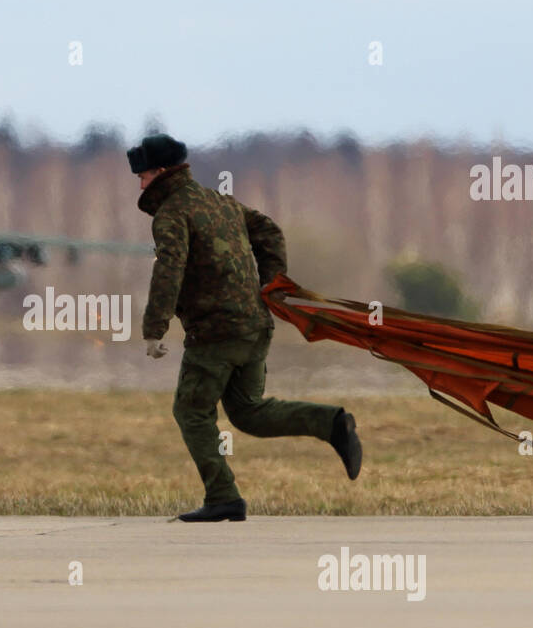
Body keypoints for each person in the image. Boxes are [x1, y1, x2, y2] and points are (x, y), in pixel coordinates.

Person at [130, 133, 362, 522]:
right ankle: (332, 423)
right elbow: (269, 230)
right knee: (249, 412)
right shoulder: (221, 203)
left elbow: (170, 269)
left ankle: (223, 497)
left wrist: (154, 328)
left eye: (144, 174)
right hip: (255, 326)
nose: (139, 183)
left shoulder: (173, 213)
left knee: (190, 411)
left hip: (216, 333)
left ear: (162, 172)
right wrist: (270, 285)